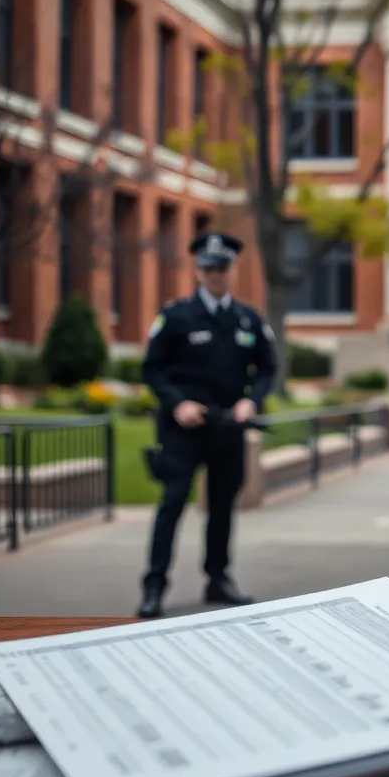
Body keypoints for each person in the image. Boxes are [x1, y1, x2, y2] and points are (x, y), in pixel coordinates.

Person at [138, 232, 278, 619]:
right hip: (183, 430)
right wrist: (177, 402)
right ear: (198, 271)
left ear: (232, 270)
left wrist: (252, 400)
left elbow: (267, 368)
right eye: (209, 268)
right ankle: (153, 584)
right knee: (172, 503)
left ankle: (218, 576)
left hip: (228, 428)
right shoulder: (176, 316)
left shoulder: (247, 318)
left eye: (222, 267)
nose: (216, 274)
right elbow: (153, 369)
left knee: (222, 507)